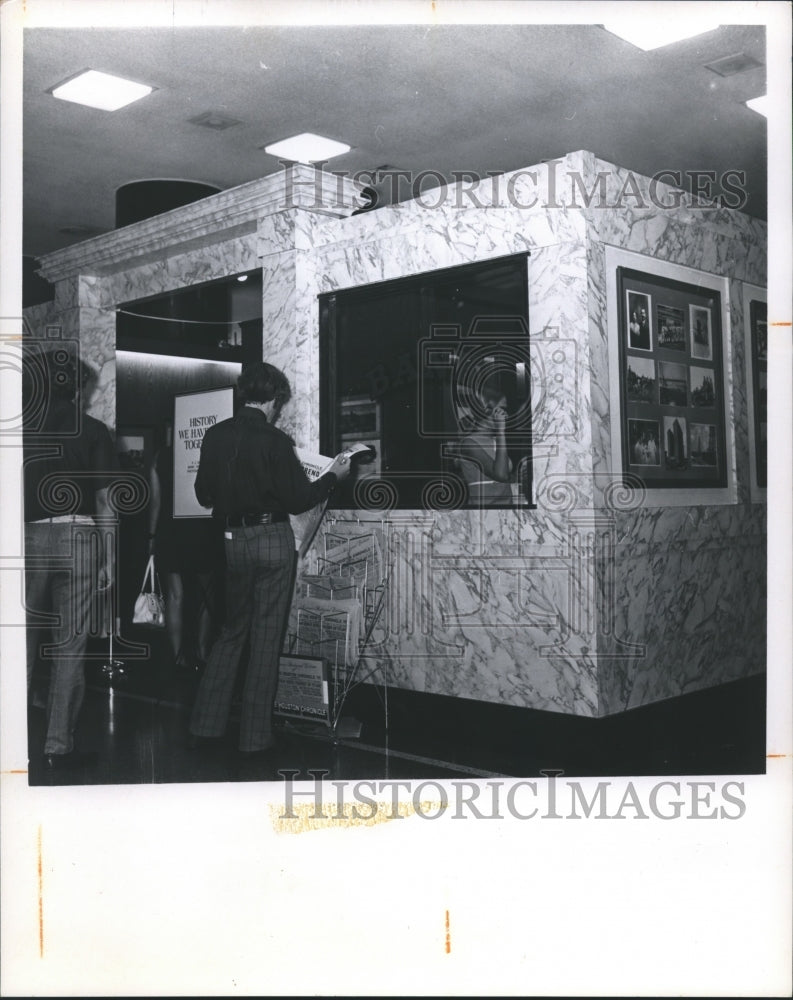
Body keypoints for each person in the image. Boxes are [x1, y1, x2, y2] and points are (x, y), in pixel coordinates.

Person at [188, 362, 351, 755]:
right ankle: (255, 737)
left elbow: (203, 495)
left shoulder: (214, 435)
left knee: (231, 632)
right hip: (272, 540)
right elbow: (298, 500)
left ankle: (205, 726)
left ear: (245, 393)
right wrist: (334, 477)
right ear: (275, 399)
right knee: (264, 638)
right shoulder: (276, 441)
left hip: (231, 540)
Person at [24, 349, 117, 769]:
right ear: (77, 388)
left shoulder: (20, 432)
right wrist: (108, 556)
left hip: (27, 537)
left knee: (19, 644)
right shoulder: (94, 431)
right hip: (79, 534)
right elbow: (103, 500)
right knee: (69, 646)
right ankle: (57, 745)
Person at [147, 421, 224, 670]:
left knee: (175, 596)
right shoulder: (209, 452)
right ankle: (202, 652)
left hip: (171, 530)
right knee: (206, 595)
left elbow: (156, 502)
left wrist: (151, 536)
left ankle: (178, 656)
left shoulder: (162, 456)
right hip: (204, 528)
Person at [455, 383, 514, 507]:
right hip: (485, 514)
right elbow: (500, 476)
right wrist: (500, 432)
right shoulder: (469, 444)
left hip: (506, 513)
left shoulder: (495, 440)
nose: (506, 415)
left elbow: (503, 483)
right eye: (502, 409)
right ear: (487, 410)